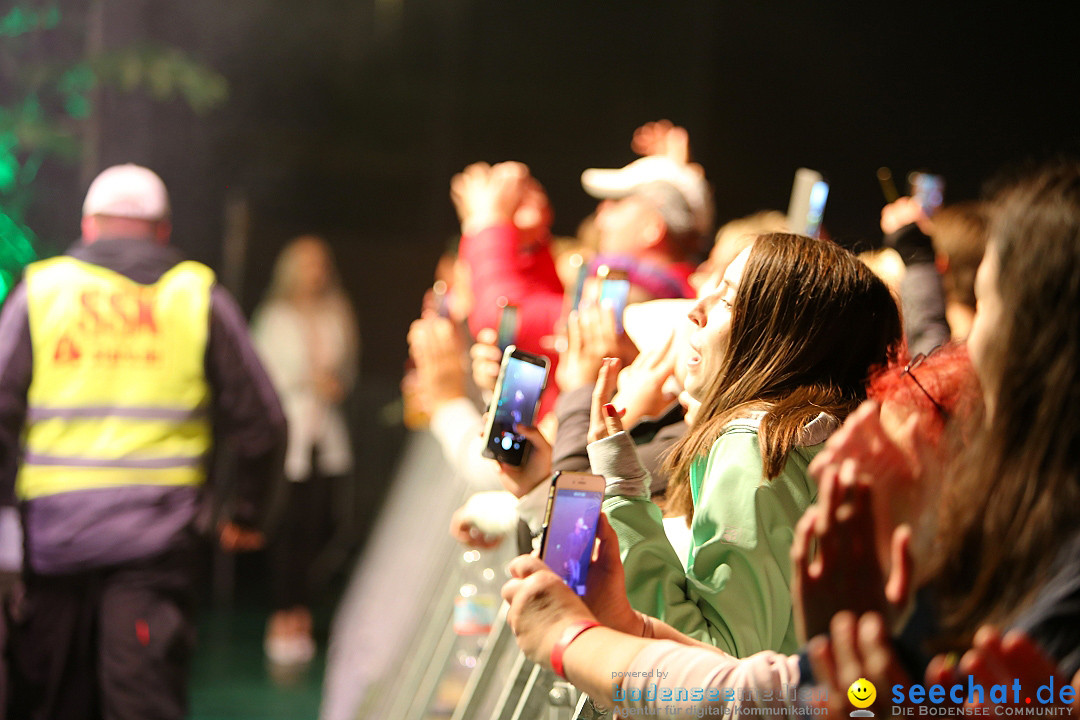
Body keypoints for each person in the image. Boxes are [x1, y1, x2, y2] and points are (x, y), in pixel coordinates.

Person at [0, 164, 286, 719]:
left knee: (49, 701)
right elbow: (263, 422)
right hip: (156, 548)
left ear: (88, 225)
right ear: (162, 230)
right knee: (142, 700)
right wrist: (245, 511)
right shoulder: (195, 295)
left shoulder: (43, 291)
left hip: (53, 545)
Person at [588, 232, 902, 657]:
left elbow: (715, 662)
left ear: (785, 338)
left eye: (730, 300)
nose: (695, 311)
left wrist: (622, 490)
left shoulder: (756, 447)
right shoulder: (825, 440)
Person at [251, 235, 360, 666]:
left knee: (321, 525)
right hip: (290, 436)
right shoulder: (274, 316)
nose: (316, 273)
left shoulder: (337, 312)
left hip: (326, 434)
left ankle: (302, 612)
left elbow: (346, 367)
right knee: (287, 528)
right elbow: (264, 378)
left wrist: (332, 385)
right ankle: (283, 617)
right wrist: (304, 384)